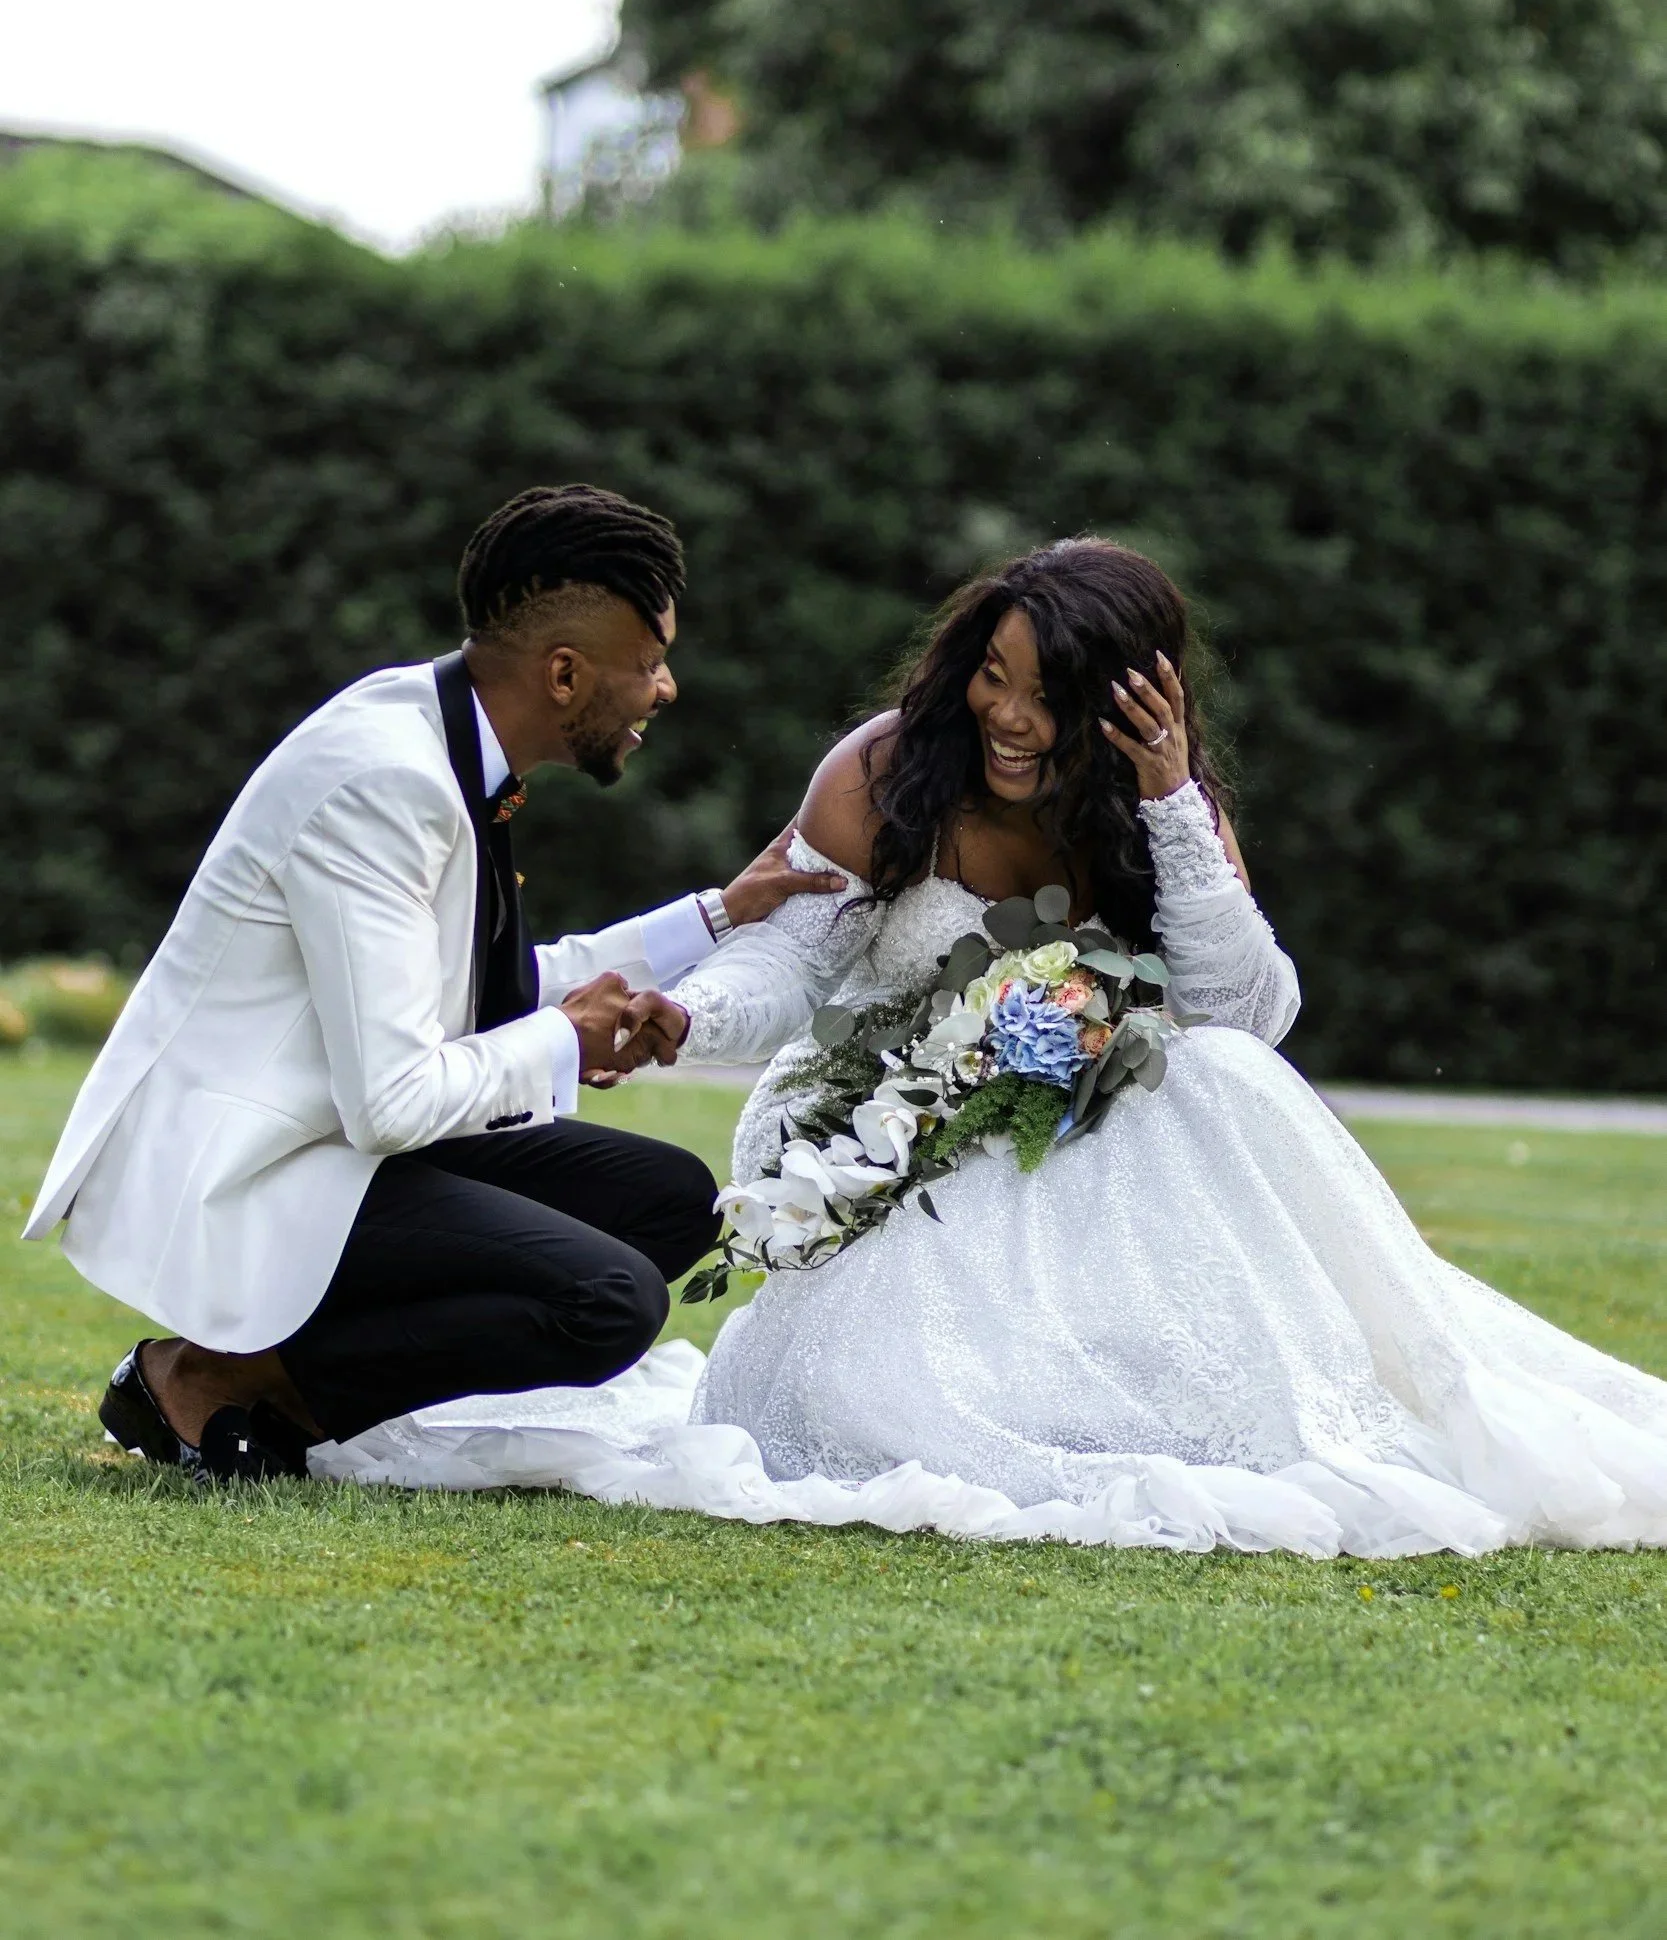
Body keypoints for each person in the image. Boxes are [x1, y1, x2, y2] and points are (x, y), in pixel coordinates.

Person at [340, 538, 1667, 1558]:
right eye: (992, 674)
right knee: (886, 1396)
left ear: (1125, 701)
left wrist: (1170, 810)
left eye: (1047, 692)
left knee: (1216, 1074)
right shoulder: (884, 769)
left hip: (1102, 1131)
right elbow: (793, 952)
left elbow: (1244, 1010)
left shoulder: (1158, 800)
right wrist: (694, 1020)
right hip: (897, 1128)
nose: (1011, 716)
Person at [23, 483, 841, 1481]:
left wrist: (714, 916)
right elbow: (391, 1097)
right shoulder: (387, 779)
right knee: (607, 1300)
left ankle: (254, 1374)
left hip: (338, 1137)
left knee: (668, 1198)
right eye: (652, 662)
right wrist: (563, 1043)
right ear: (565, 672)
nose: (664, 690)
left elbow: (478, 990)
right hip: (259, 1162)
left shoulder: (442, 735)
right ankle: (212, 1378)